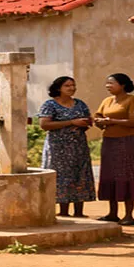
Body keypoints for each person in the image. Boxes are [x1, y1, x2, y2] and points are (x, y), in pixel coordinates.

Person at [93, 74, 134, 226]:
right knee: (110, 175)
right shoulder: (107, 101)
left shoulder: (133, 100)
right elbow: (98, 115)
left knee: (127, 175)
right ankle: (112, 213)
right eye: (107, 83)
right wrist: (98, 121)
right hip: (109, 141)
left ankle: (129, 215)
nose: (107, 86)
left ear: (122, 85)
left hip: (127, 142)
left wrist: (111, 121)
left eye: (111, 83)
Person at [38, 76, 97, 217]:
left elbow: (87, 120)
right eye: (67, 86)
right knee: (62, 176)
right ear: (59, 88)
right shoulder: (50, 105)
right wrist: (71, 122)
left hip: (78, 147)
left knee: (80, 175)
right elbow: (44, 125)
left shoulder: (80, 104)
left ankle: (79, 211)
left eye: (73, 85)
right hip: (58, 148)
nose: (72, 88)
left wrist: (85, 123)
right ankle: (63, 211)